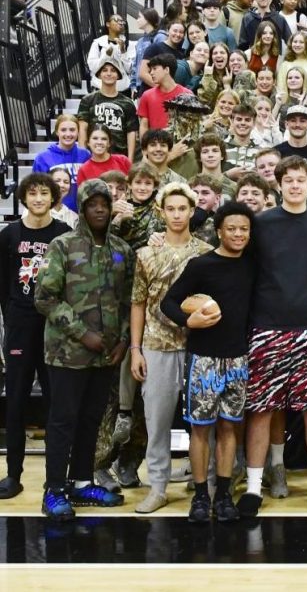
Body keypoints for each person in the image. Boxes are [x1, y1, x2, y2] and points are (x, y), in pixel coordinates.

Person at [237, 156, 307, 517]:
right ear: (278, 185)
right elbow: (244, 269)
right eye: (289, 180)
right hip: (266, 328)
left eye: (302, 180)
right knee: (261, 409)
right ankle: (253, 488)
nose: (296, 185)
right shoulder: (261, 224)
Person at [35, 180, 132, 521]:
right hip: (66, 353)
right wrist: (82, 333)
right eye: (93, 204)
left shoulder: (121, 249)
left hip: (106, 355)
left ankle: (81, 482)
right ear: (83, 207)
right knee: (63, 421)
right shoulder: (62, 245)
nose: (100, 209)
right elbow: (45, 297)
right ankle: (54, 490)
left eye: (105, 203)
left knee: (92, 420)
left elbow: (126, 301)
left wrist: (122, 340)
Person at [160, 201, 256, 523]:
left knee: (230, 428)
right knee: (200, 431)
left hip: (239, 359)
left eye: (244, 229)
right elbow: (169, 301)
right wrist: (188, 323)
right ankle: (201, 496)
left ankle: (224, 494)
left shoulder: (253, 265)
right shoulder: (201, 265)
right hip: (203, 360)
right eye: (231, 228)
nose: (238, 234)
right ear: (219, 231)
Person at [128, 183, 213, 514]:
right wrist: (136, 349)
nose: (177, 215)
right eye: (171, 209)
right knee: (158, 421)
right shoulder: (146, 254)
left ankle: (205, 484)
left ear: (192, 212)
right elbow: (138, 302)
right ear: (162, 213)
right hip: (156, 346)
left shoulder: (207, 252)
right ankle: (158, 486)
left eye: (183, 209)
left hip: (200, 347)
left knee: (203, 423)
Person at [0, 174, 72, 499]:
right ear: (24, 198)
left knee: (56, 404)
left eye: (45, 193)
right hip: (19, 326)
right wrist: (13, 316)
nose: (39, 198)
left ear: (53, 198)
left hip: (54, 328)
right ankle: (13, 475)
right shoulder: (9, 234)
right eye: (33, 193)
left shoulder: (64, 234)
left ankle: (55, 479)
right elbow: (2, 283)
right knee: (15, 402)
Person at [78, 57, 138, 160]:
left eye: (113, 70)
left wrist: (130, 161)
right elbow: (82, 129)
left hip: (119, 158)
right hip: (94, 157)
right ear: (99, 74)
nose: (109, 74)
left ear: (118, 75)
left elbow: (131, 133)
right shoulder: (87, 100)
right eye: (105, 70)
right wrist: (83, 157)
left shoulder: (128, 103)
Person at [34, 115, 90, 214]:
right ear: (57, 132)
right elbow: (37, 190)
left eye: (72, 130)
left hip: (82, 213)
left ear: (78, 132)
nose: (68, 134)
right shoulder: (42, 158)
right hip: (54, 213)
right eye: (63, 130)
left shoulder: (85, 155)